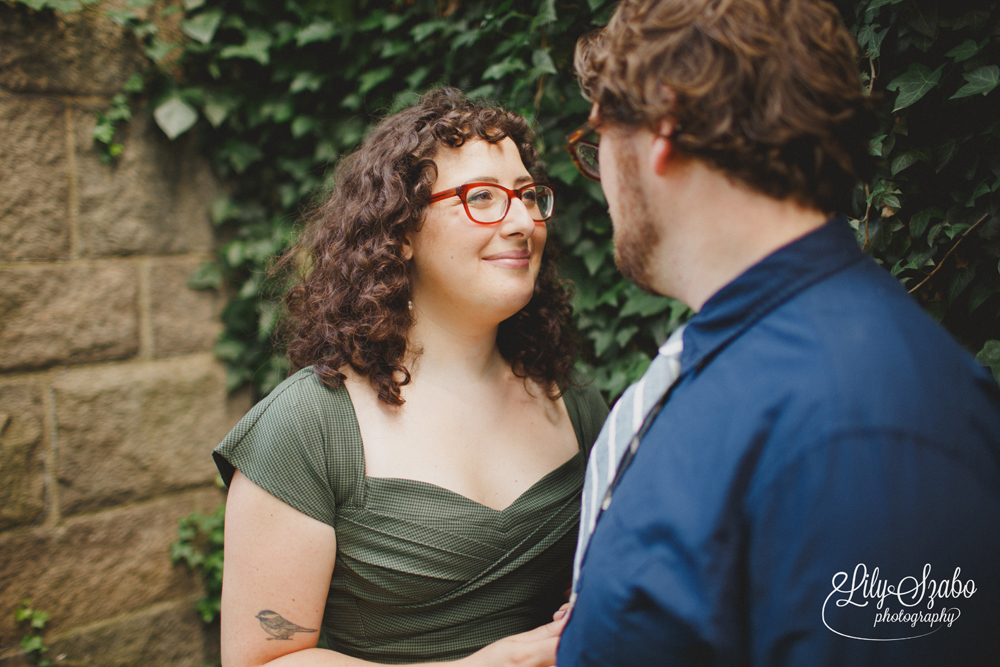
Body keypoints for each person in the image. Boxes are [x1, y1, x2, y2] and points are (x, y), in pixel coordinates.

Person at [557, 1, 1000, 665]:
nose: (600, 179)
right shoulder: (728, 350)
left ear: (665, 125)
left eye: (600, 137)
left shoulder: (863, 427)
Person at [212, 88, 608, 667]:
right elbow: (260, 662)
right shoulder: (308, 426)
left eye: (528, 197)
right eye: (483, 198)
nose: (523, 221)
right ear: (400, 230)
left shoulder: (575, 406)